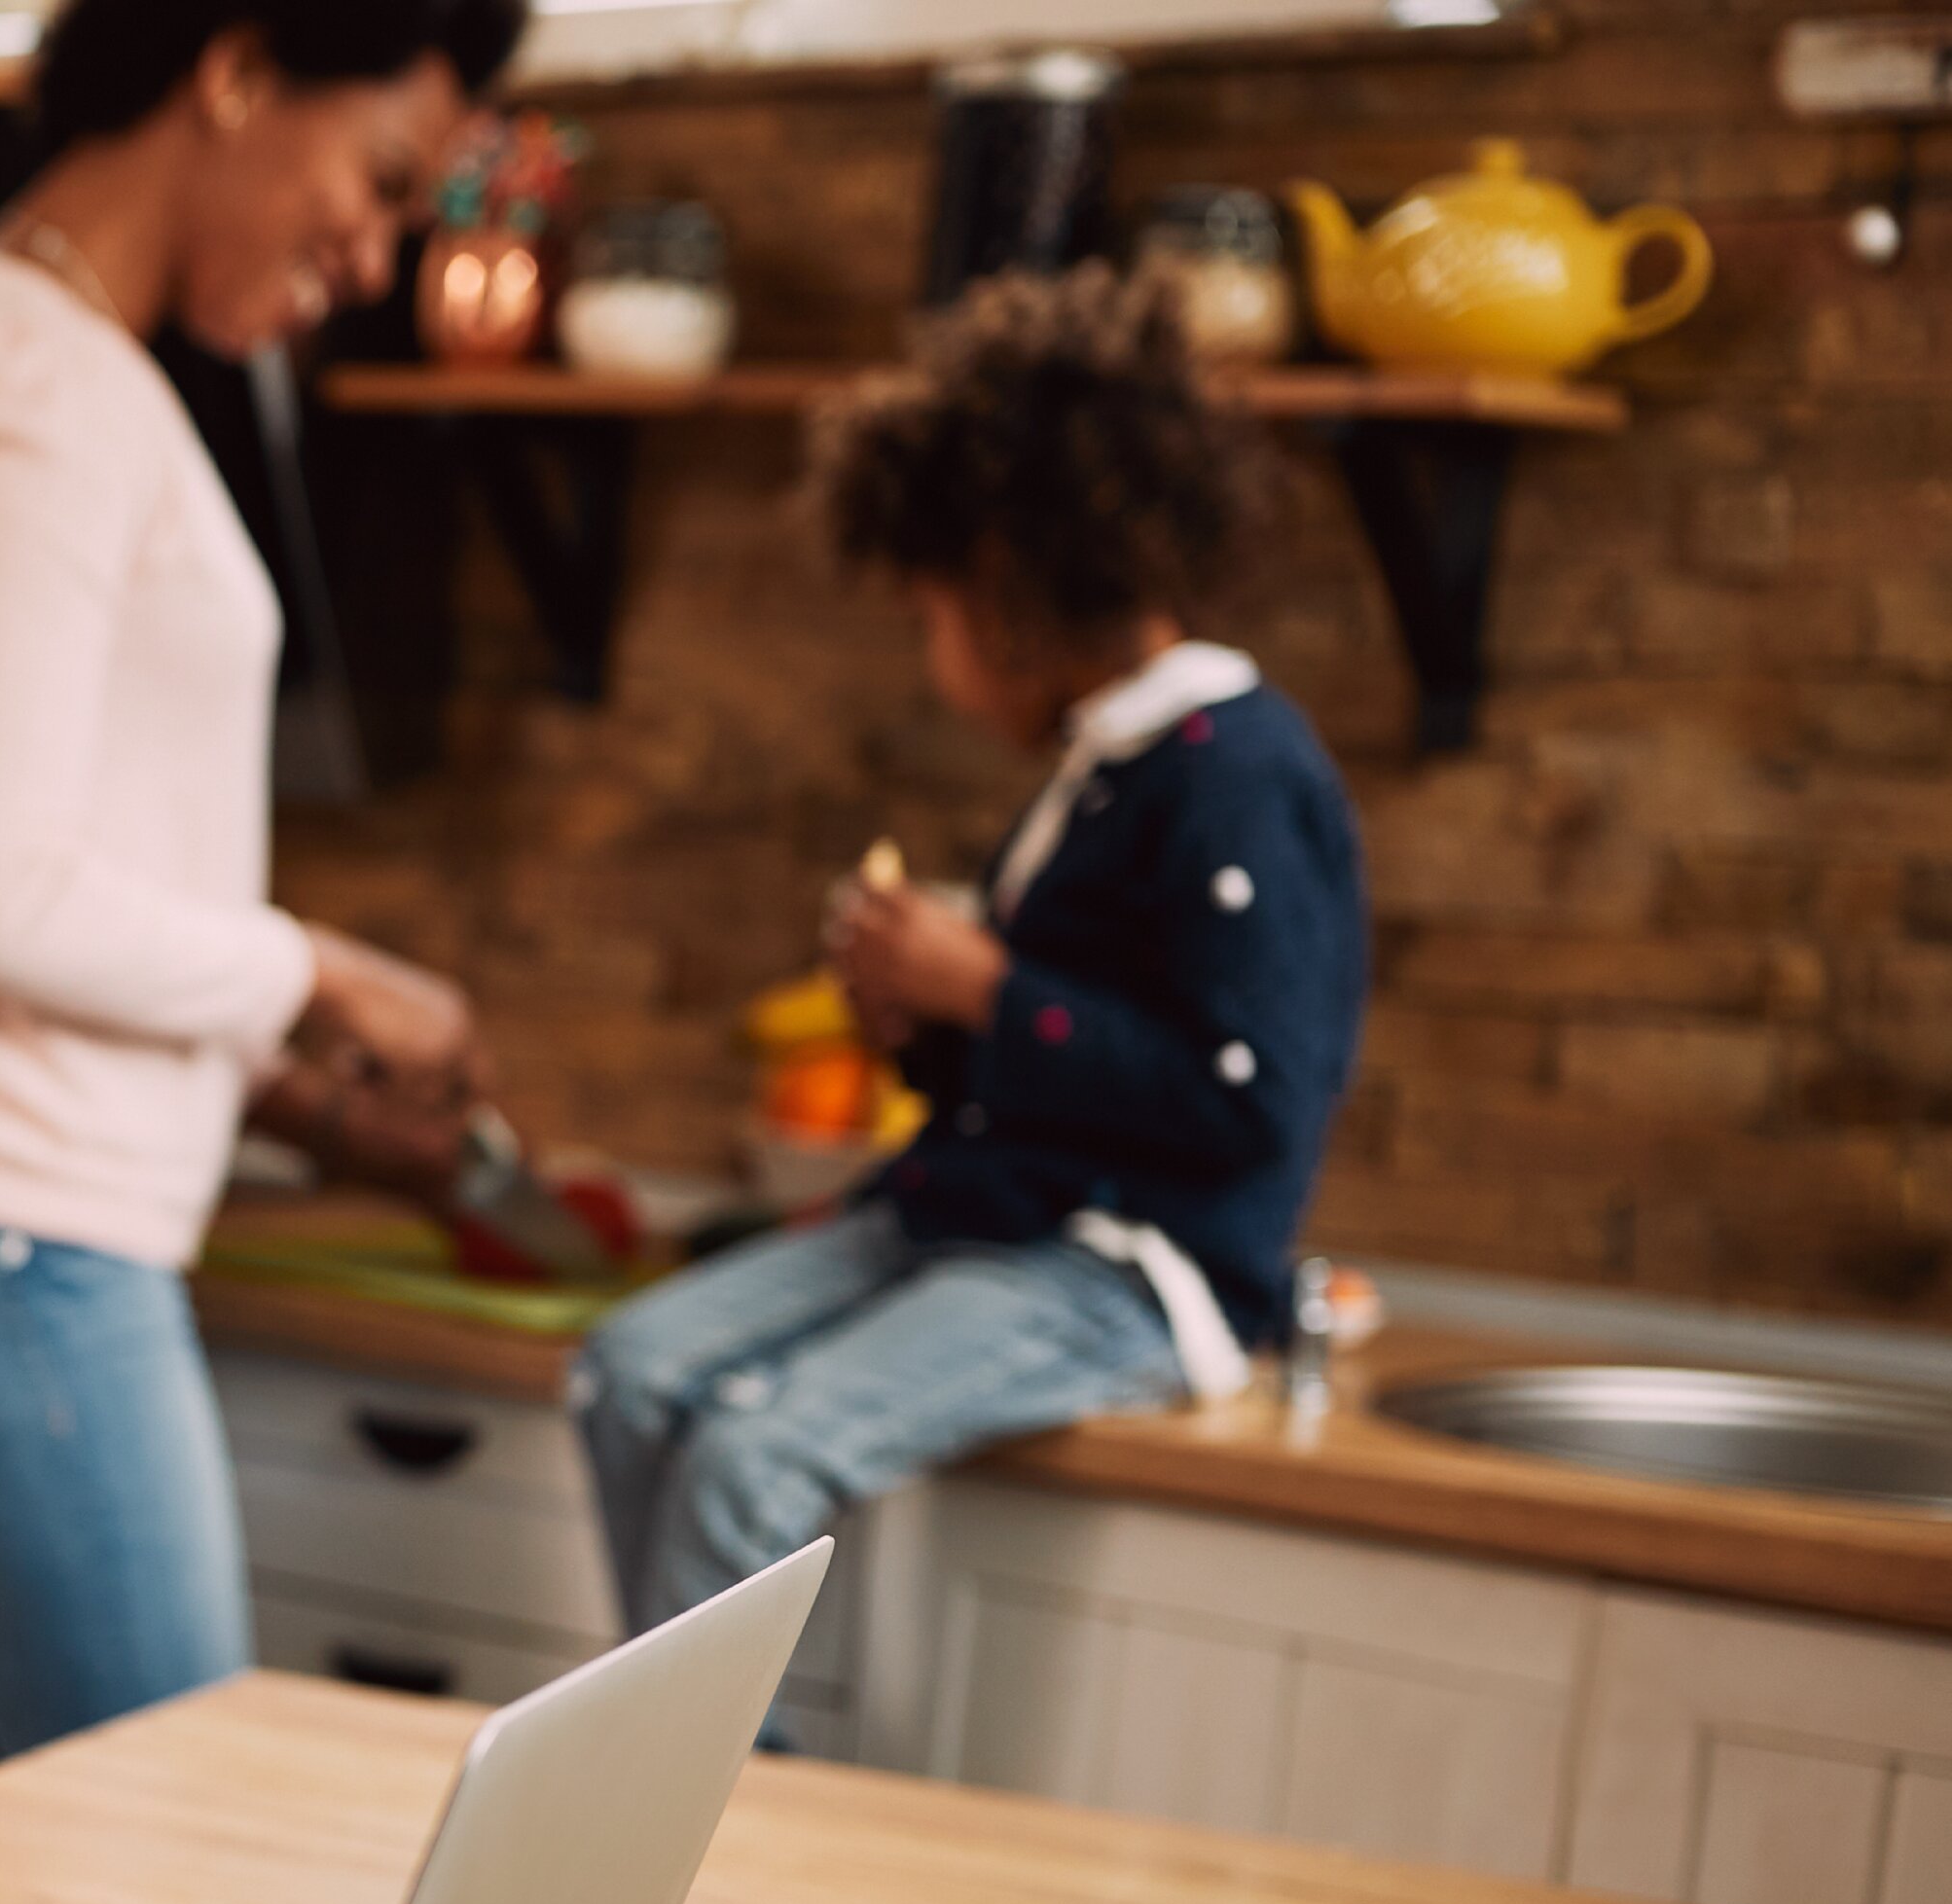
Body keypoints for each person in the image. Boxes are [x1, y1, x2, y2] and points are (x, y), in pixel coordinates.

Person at [0, 0, 524, 1825]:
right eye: (379, 177)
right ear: (238, 71)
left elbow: (27, 872)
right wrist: (334, 978)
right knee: (171, 1857)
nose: (379, 246)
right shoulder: (47, 394)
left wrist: (293, 1092)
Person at [573, 268, 1370, 1640]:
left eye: (924, 614)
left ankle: (727, 1830)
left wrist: (985, 990)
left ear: (1002, 586)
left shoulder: (1238, 774)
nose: (928, 652)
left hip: (1124, 1271)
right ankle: (661, 1775)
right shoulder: (1100, 764)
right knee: (628, 1371)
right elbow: (1041, 1063)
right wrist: (927, 1023)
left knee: (753, 1457)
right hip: (974, 1218)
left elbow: (1247, 1100)